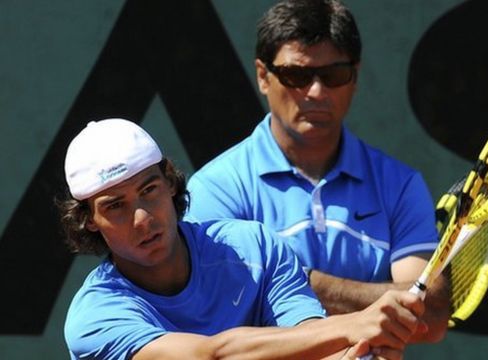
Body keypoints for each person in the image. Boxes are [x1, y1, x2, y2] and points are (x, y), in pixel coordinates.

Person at [185, 0, 450, 343]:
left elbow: (430, 317)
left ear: (354, 75)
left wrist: (294, 279)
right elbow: (217, 317)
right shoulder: (216, 188)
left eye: (333, 75)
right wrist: (375, 310)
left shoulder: (400, 185)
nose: (316, 91)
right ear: (263, 77)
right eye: (296, 75)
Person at [58, 118, 426, 360]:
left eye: (149, 189)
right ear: (89, 221)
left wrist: (355, 351)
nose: (142, 219)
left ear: (170, 184)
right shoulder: (95, 319)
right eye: (115, 206)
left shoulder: (254, 248)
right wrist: (351, 325)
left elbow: (309, 339)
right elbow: (211, 357)